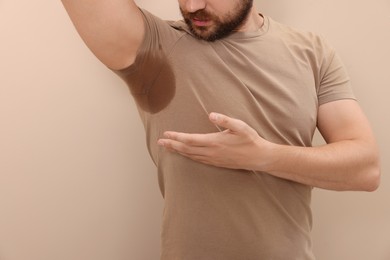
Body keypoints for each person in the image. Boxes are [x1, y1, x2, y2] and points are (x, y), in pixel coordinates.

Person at [61, 0, 381, 259]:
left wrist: (262, 157)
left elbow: (366, 170)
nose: (192, 5)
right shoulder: (155, 49)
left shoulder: (313, 52)